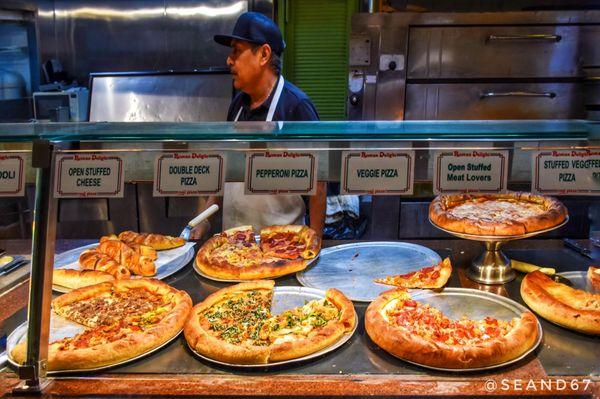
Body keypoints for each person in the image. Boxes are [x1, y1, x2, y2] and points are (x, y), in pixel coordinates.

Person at [193, 12, 326, 238]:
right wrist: (205, 219)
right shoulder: (237, 105)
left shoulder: (296, 106)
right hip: (233, 246)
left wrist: (315, 242)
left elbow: (319, 183)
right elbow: (226, 172)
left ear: (263, 54)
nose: (229, 60)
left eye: (236, 50)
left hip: (283, 246)